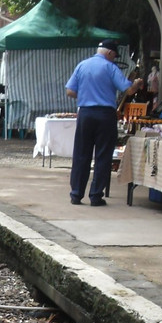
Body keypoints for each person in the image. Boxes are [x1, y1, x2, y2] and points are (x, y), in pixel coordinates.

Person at [65, 38, 143, 206]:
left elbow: (70, 91)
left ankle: (76, 194)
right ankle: (95, 196)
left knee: (81, 154)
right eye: (114, 55)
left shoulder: (82, 65)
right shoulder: (110, 67)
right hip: (105, 115)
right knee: (103, 156)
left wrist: (87, 95)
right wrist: (136, 84)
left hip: (85, 113)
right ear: (109, 52)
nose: (114, 58)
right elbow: (128, 90)